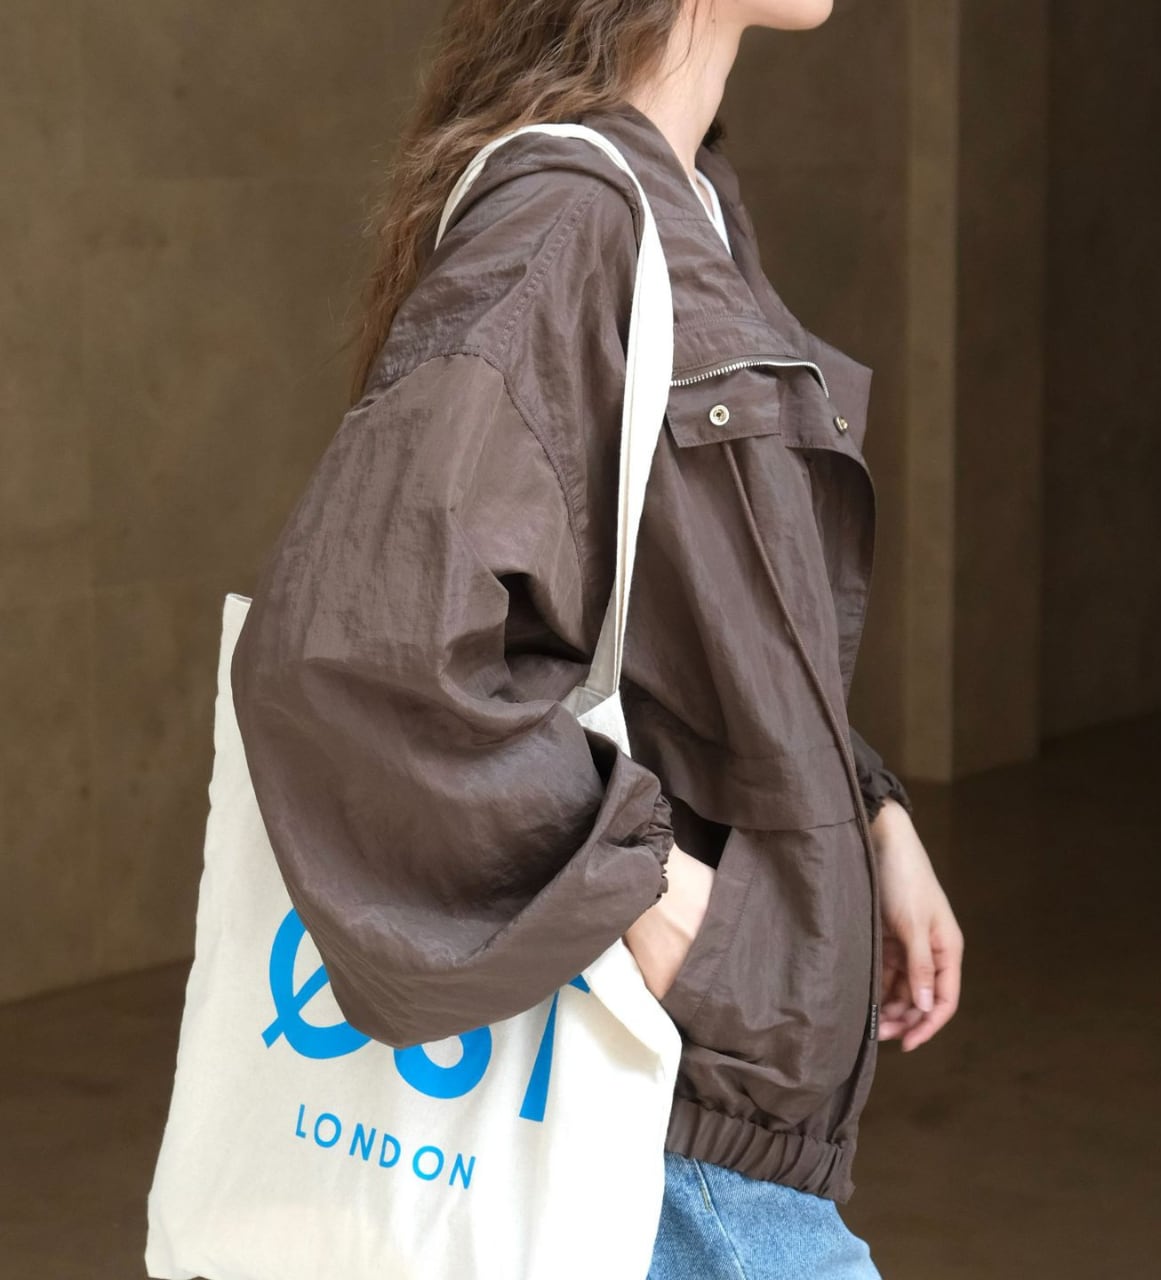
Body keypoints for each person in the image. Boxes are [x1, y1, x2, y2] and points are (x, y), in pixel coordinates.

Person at [230, 0, 964, 1275]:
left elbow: (700, 613)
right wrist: (652, 891)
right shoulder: (569, 217)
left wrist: (868, 811)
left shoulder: (690, 198)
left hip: (704, 1119)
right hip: (658, 1134)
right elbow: (349, 649)